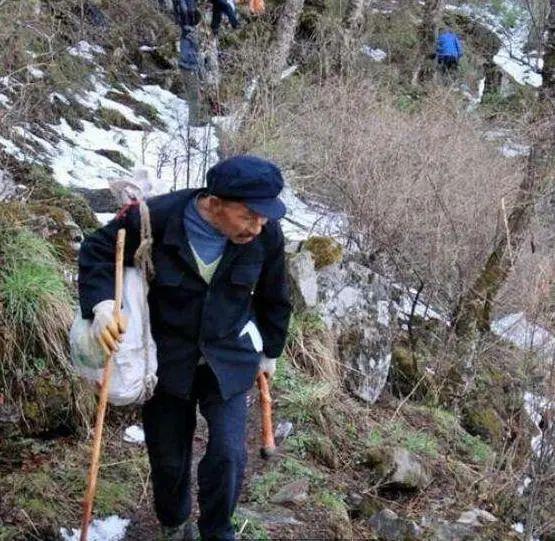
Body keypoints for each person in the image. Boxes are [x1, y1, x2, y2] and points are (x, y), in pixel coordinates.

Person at [78, 155, 292, 541]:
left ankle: (217, 530)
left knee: (229, 454)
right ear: (215, 203)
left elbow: (276, 297)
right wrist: (102, 306)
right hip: (166, 361)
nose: (258, 226)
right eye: (249, 215)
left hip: (228, 357)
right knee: (169, 459)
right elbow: (96, 250)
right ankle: (175, 524)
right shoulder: (154, 219)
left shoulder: (266, 235)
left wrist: (269, 352)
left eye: (264, 216)